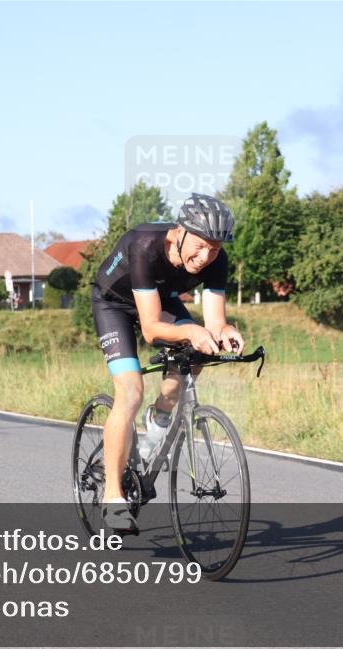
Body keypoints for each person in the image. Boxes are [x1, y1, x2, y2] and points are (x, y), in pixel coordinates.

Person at [90, 193, 245, 533]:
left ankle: (159, 418)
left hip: (162, 301)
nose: (205, 258)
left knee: (200, 351)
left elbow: (215, 322)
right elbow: (150, 329)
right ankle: (113, 498)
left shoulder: (217, 259)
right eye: (200, 246)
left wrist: (226, 331)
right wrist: (190, 329)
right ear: (179, 232)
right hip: (114, 304)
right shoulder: (145, 245)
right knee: (130, 392)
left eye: (215, 250)